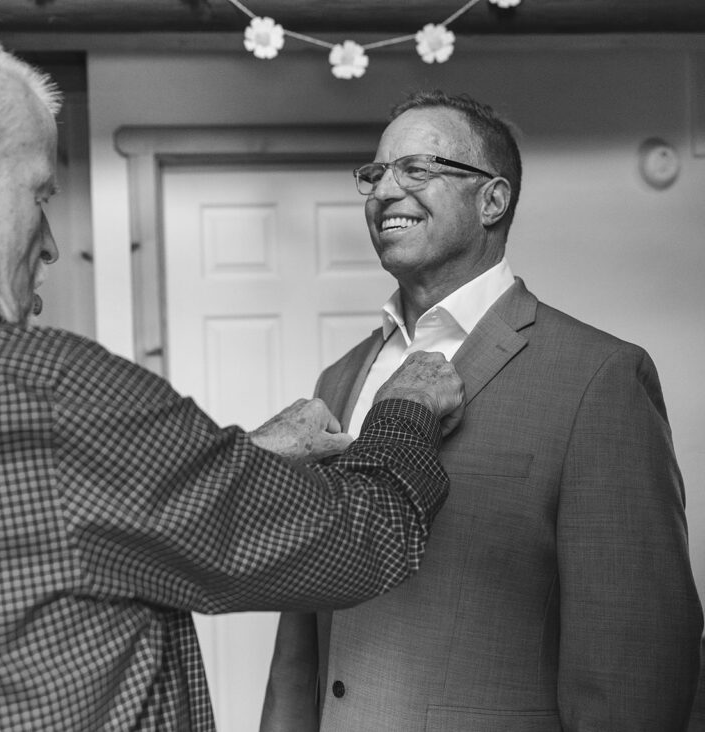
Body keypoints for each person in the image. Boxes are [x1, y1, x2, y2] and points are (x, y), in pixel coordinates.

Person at [0, 7, 467, 731]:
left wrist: (243, 461)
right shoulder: (44, 393)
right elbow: (370, 539)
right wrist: (404, 410)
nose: (51, 243)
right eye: (41, 192)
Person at [261, 90, 703, 731]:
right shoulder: (339, 378)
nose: (385, 190)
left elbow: (636, 655)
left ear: (492, 200)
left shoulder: (598, 377)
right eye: (375, 173)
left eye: (417, 169)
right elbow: (301, 620)